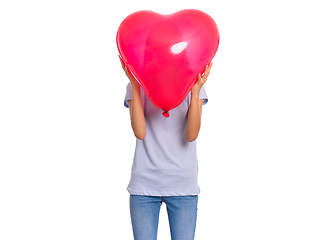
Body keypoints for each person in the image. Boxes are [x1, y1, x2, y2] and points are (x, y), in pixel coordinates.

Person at [120, 55, 212, 240]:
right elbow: (140, 132)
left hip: (182, 186)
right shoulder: (135, 85)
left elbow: (191, 135)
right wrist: (135, 85)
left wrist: (195, 92)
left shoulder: (194, 86)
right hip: (144, 186)